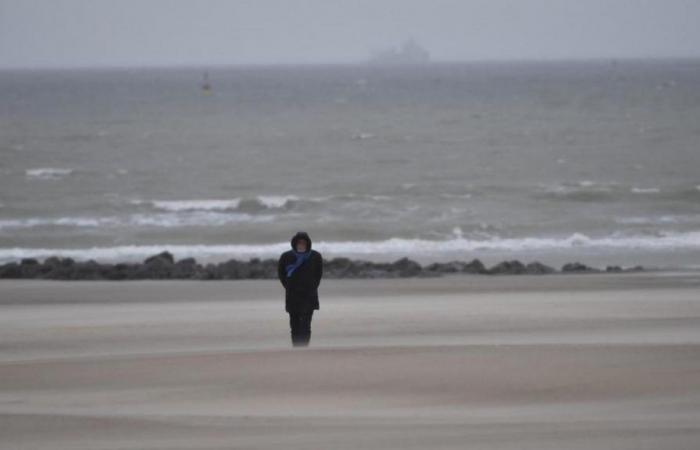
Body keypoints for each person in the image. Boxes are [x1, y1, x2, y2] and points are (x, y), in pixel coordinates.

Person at [278, 231, 323, 347]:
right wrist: (288, 286)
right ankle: (296, 347)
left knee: (306, 324)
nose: (301, 245)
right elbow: (281, 274)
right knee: (294, 324)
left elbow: (318, 275)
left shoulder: (315, 256)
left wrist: (312, 287)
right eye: (299, 243)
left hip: (309, 295)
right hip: (292, 295)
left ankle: (304, 347)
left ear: (308, 244)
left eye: (304, 243)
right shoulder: (286, 256)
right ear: (294, 244)